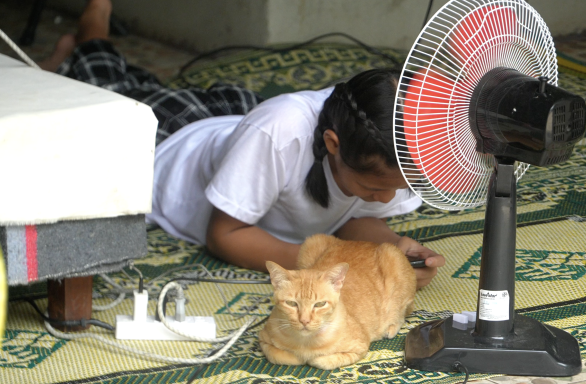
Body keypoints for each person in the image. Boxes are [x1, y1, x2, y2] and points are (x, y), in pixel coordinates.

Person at [41, 0, 446, 288]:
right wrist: (331, 263)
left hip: (237, 127)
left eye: (400, 188)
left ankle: (63, 60)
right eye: (376, 189)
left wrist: (392, 250)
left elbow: (352, 214)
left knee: (147, 86)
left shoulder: (382, 139)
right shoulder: (279, 132)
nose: (387, 199)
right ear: (333, 144)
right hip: (174, 142)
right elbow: (226, 234)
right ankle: (93, 23)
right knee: (105, 90)